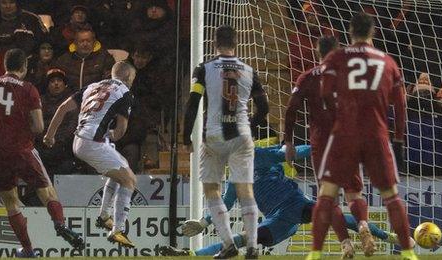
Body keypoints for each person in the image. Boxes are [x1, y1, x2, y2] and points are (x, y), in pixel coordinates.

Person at [159, 143, 401, 256]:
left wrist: (318, 149)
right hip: (278, 220)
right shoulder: (235, 180)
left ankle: (387, 236)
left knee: (331, 214)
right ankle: (190, 255)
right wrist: (204, 222)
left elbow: (292, 152)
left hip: (296, 202)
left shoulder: (262, 155)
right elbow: (225, 204)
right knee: (242, 240)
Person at [307, 12, 416, 260]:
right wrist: (398, 140)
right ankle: (408, 254)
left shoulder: (337, 59)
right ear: (373, 32)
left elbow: (325, 94)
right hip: (376, 135)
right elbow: (400, 106)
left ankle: (314, 254)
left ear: (349, 32)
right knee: (390, 195)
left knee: (327, 194)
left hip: (345, 135)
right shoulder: (387, 61)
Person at [0, 49, 84, 257]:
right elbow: (38, 127)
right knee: (47, 193)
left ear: (4, 66)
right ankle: (60, 224)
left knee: (11, 203)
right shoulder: (29, 89)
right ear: (24, 68)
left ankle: (28, 250)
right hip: (22, 149)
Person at [183, 25, 269, 259]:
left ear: (214, 43)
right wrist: (249, 126)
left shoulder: (204, 69)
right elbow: (264, 108)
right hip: (241, 135)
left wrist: (186, 136)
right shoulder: (250, 71)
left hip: (214, 135)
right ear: (237, 44)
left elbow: (193, 102)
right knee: (245, 190)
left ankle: (229, 244)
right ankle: (252, 247)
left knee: (212, 188)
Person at [43, 61, 137, 248]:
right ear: (128, 78)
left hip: (79, 139)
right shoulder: (125, 93)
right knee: (129, 180)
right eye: (133, 78)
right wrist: (111, 134)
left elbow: (62, 108)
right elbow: (120, 131)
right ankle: (117, 229)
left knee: (121, 168)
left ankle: (103, 216)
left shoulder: (92, 86)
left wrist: (49, 135)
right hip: (93, 142)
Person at [283, 36, 355, 258]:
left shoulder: (307, 77)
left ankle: (346, 244)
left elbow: (291, 109)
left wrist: (288, 140)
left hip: (323, 144)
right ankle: (362, 225)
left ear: (318, 53)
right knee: (354, 194)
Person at [53, 24, 115, 90]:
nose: (85, 44)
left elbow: (110, 84)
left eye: (88, 41)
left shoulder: (105, 59)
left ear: (94, 43)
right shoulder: (64, 60)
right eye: (81, 41)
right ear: (75, 43)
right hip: (70, 98)